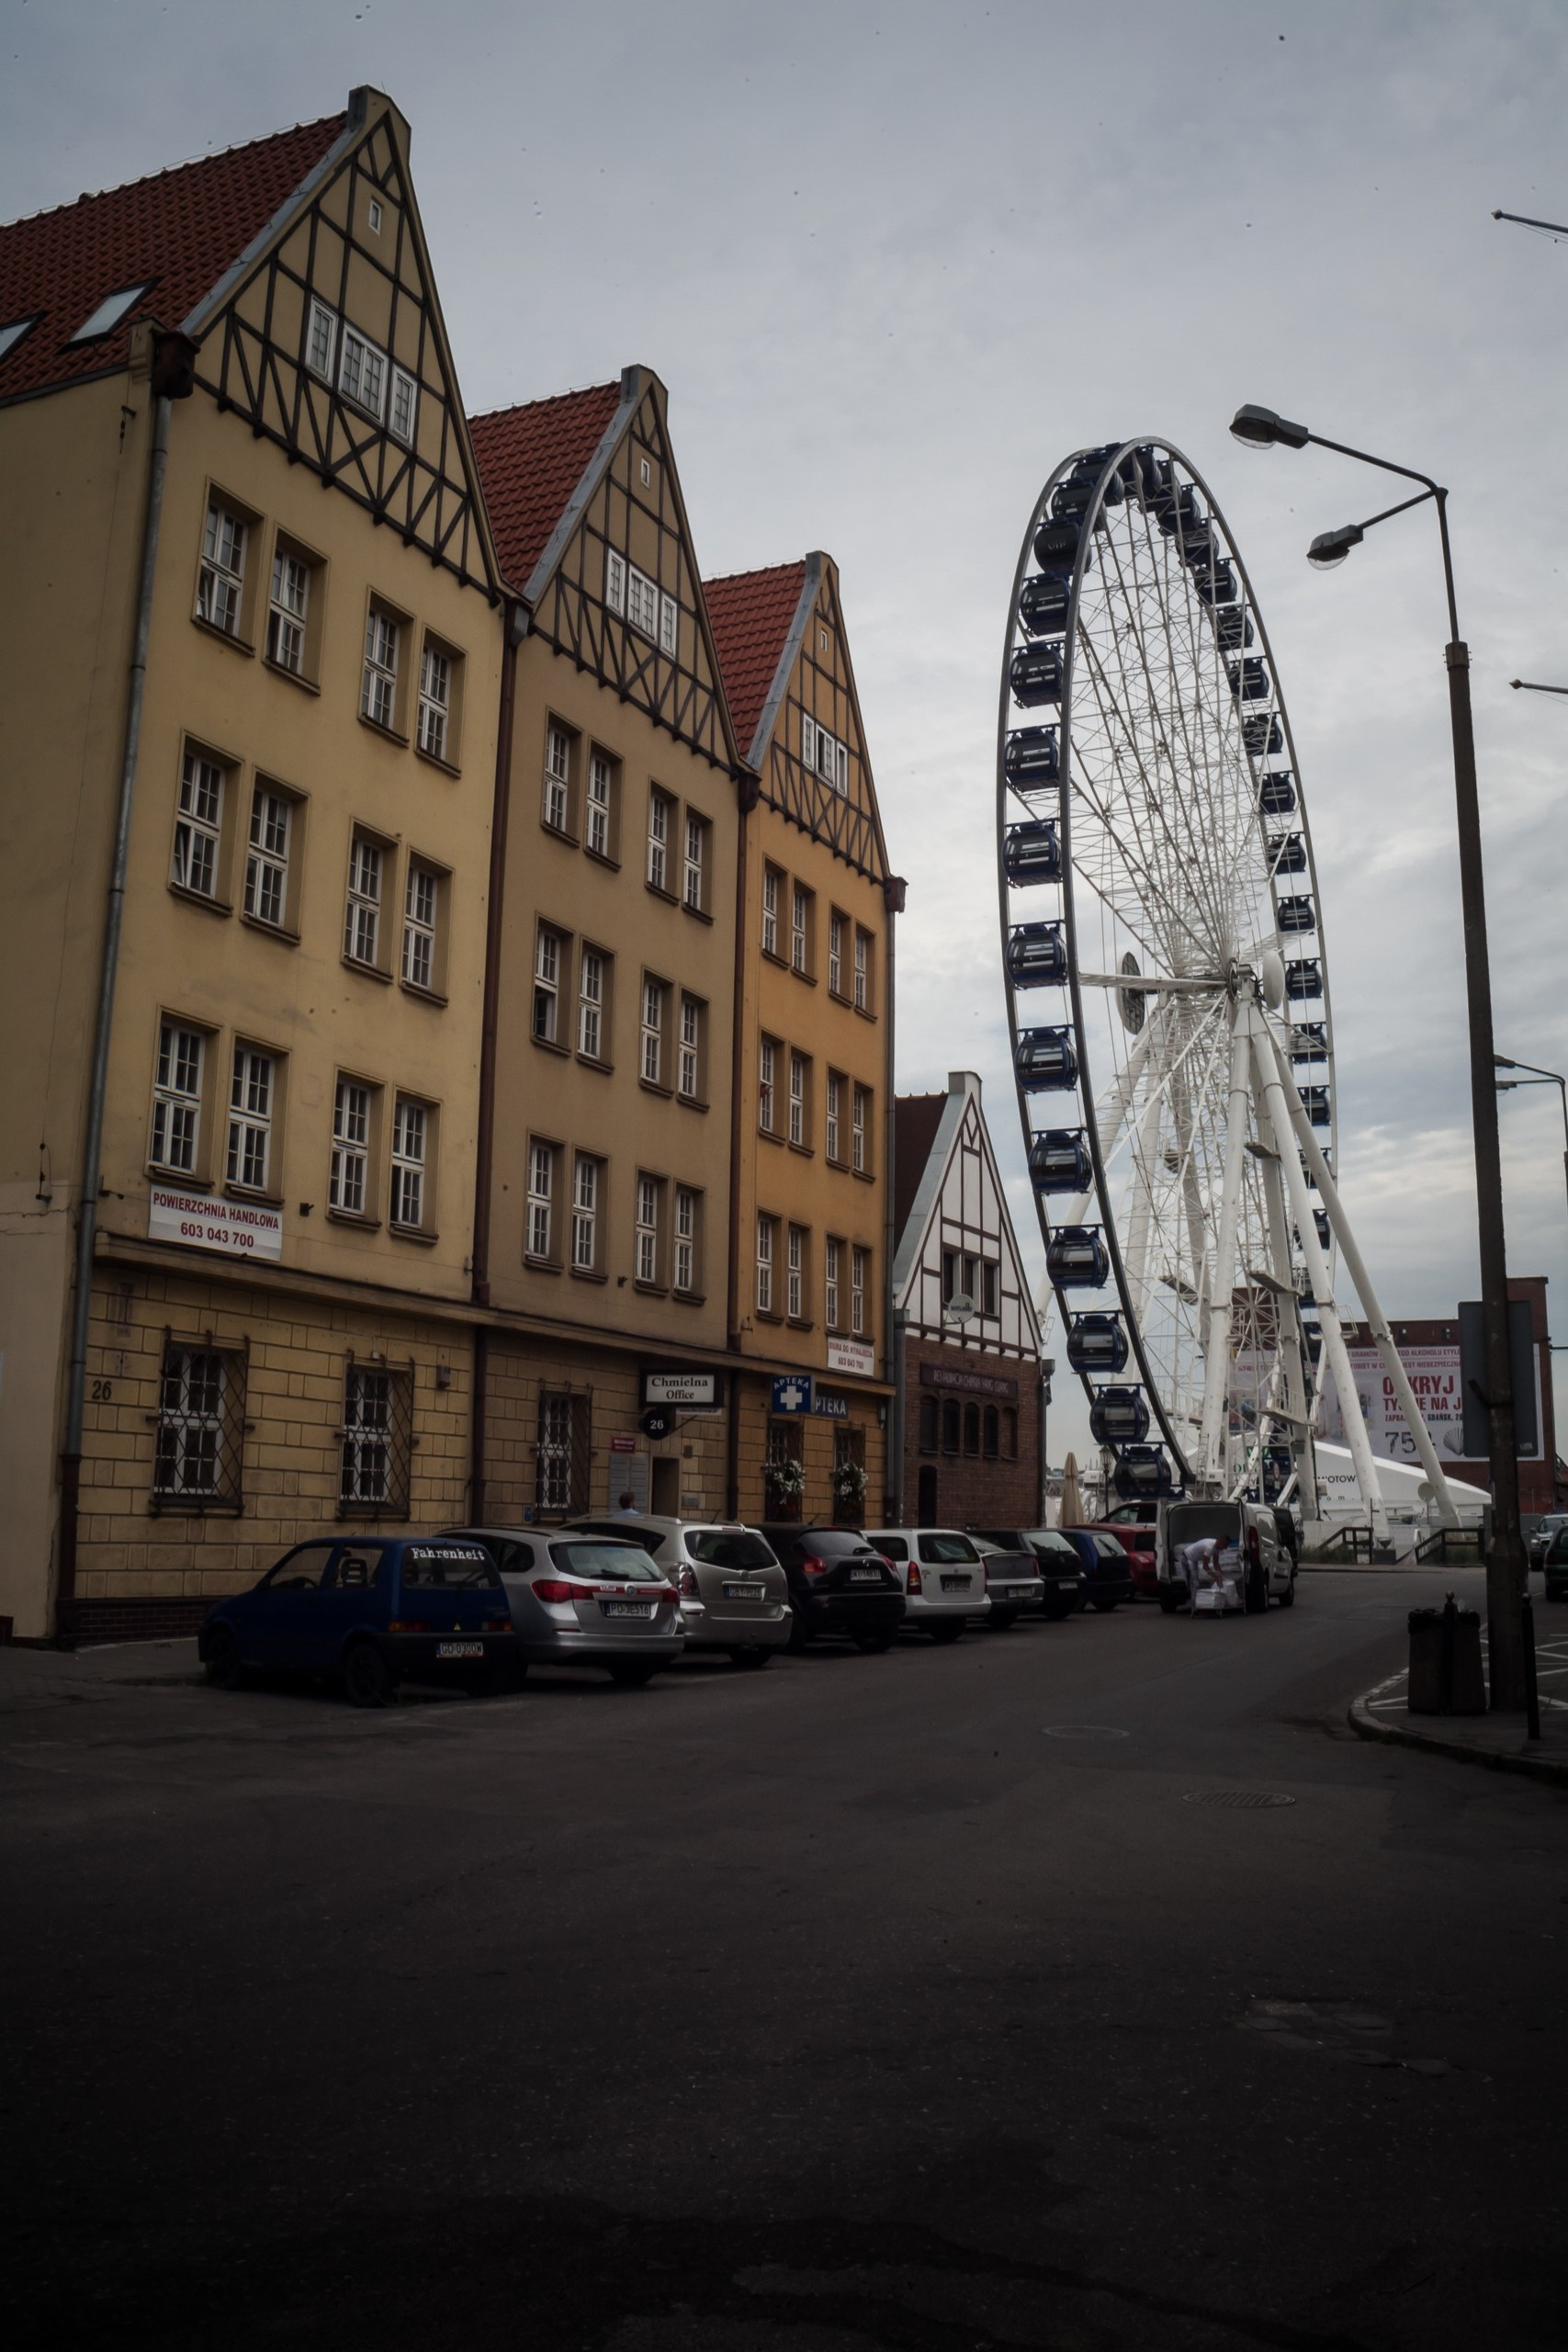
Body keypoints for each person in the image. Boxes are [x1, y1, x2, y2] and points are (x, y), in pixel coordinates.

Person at [1175, 1534, 1219, 1609]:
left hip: (1193, 1559)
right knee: (1194, 1582)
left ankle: (1196, 1603)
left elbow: (1216, 1563)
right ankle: (1194, 1606)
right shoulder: (1210, 1547)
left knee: (1196, 1582)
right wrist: (1215, 1576)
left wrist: (1220, 1575)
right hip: (1187, 1557)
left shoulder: (1217, 1547)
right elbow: (1205, 1566)